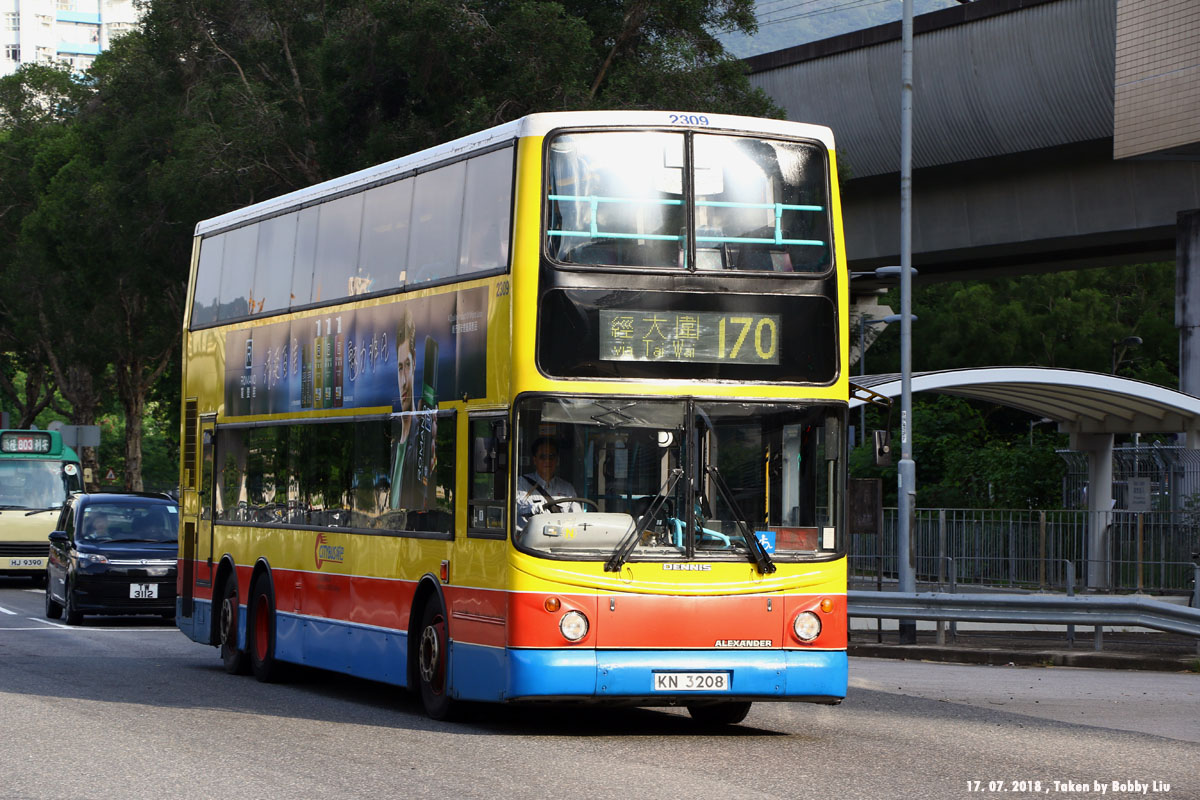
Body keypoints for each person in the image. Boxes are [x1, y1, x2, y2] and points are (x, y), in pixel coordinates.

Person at [516, 437, 583, 531]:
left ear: (557, 460)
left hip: (559, 541)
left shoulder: (567, 489)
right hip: (525, 542)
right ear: (535, 460)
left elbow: (578, 519)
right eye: (542, 457)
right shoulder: (520, 483)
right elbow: (515, 508)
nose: (547, 461)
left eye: (551, 456)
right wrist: (534, 509)